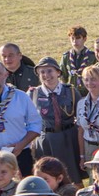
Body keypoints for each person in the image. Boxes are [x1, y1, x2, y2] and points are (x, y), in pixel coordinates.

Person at [28, 57, 82, 188]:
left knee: (74, 178)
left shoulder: (70, 91)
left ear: (58, 72)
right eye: (42, 72)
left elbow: (80, 115)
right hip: (47, 140)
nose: (46, 75)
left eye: (49, 71)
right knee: (48, 178)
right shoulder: (33, 94)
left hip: (69, 138)